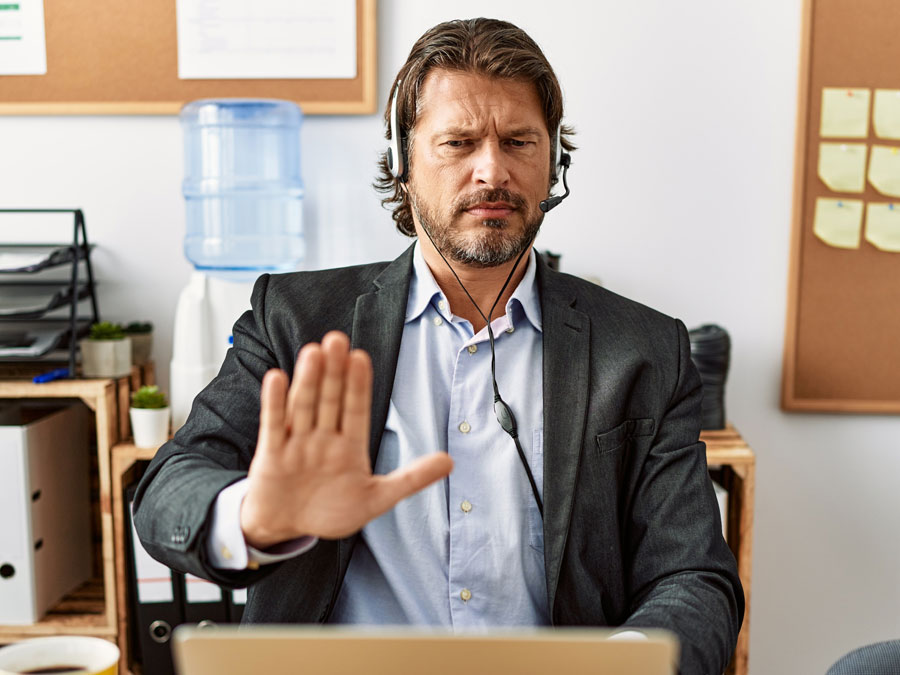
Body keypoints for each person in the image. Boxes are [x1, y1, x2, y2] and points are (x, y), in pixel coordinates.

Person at [134, 17, 743, 675]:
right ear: (401, 163)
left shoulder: (645, 350)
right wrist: (255, 514)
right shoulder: (296, 319)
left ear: (554, 163)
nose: (493, 170)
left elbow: (696, 578)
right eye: (458, 142)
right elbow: (167, 487)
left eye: (519, 142)